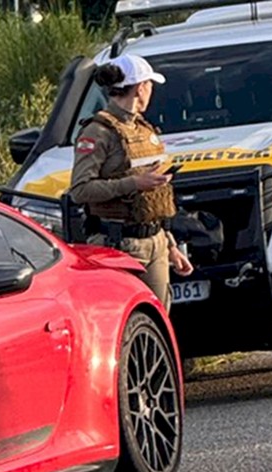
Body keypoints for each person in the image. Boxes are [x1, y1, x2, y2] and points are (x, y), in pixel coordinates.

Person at [69, 54, 193, 310]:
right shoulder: (97, 132)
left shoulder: (144, 129)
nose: (151, 92)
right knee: (123, 320)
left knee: (159, 323)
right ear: (140, 87)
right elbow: (80, 190)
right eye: (150, 85)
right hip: (117, 244)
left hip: (155, 240)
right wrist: (134, 183)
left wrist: (170, 245)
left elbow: (152, 198)